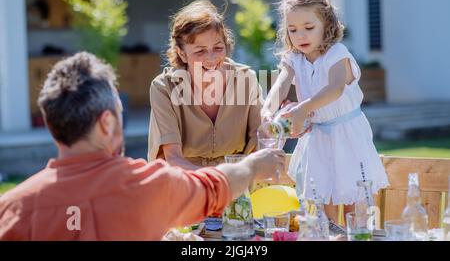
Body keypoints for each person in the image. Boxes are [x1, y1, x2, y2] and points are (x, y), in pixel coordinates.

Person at [0, 52, 285, 240]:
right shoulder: (149, 186)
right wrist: (253, 166)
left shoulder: (11, 210)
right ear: (107, 122)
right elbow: (215, 187)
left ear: (51, 125)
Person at [261, 0, 388, 223]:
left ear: (326, 25)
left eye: (309, 27)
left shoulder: (337, 54)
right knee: (324, 205)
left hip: (348, 135)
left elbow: (335, 89)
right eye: (293, 29)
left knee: (356, 206)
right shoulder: (294, 59)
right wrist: (266, 111)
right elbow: (281, 84)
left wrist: (302, 108)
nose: (301, 35)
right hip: (318, 138)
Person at [148, 0, 263, 169]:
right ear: (182, 53)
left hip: (238, 181)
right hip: (186, 182)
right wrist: (221, 182)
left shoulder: (246, 80)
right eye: (200, 51)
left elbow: (260, 144)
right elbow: (173, 159)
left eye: (218, 48)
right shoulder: (164, 88)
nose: (211, 58)